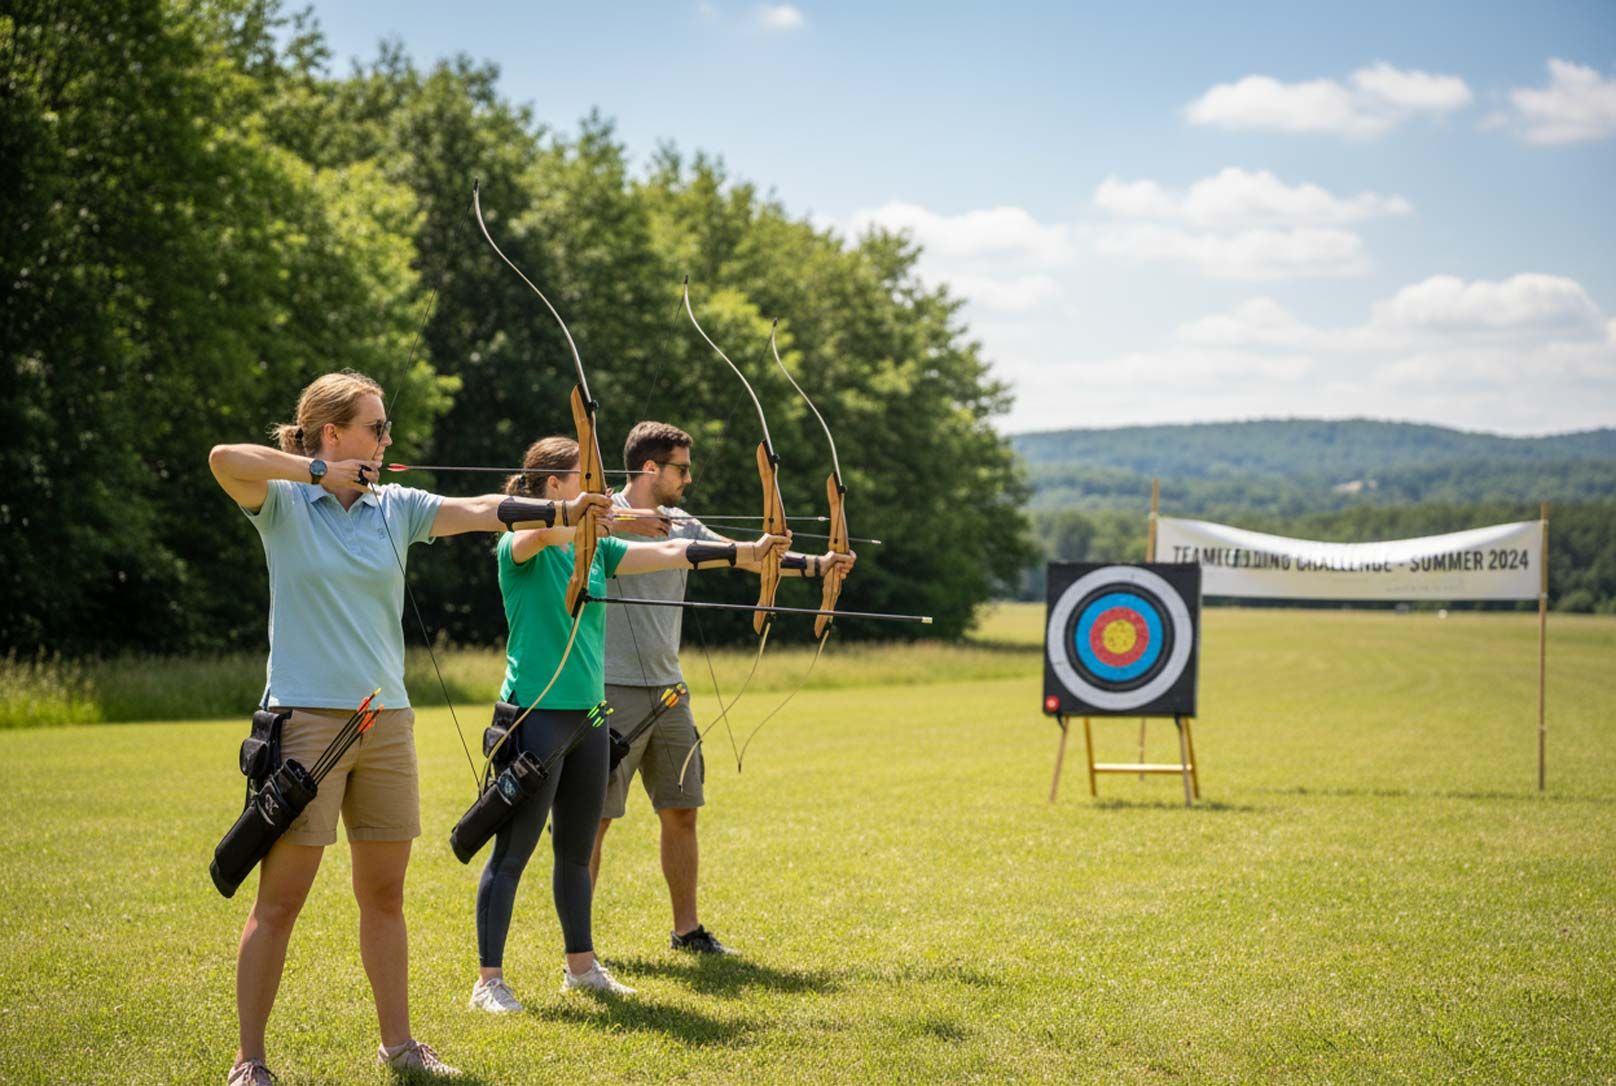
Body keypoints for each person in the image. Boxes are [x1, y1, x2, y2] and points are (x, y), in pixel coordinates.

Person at [209, 371, 607, 1083]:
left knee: (385, 893)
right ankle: (251, 1060)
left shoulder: (397, 507)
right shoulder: (285, 504)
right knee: (281, 900)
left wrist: (570, 508)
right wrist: (318, 471)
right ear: (333, 433)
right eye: (377, 427)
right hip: (307, 722)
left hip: (386, 721)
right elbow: (223, 459)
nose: (389, 439)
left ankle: (399, 1046)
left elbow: (482, 508)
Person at [469, 436, 790, 1013]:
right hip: (535, 713)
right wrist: (586, 518)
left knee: (574, 849)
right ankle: (489, 980)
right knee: (512, 853)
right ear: (553, 487)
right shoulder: (518, 547)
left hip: (589, 716)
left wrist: (751, 551)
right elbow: (539, 533)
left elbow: (674, 555)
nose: (597, 490)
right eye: (583, 480)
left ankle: (582, 967)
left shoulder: (599, 552)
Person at [588, 421, 855, 956]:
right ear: (649, 468)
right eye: (681, 468)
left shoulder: (683, 522)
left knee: (682, 809)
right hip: (607, 690)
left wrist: (819, 565)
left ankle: (687, 931)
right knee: (594, 819)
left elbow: (748, 554)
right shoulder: (601, 516)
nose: (689, 477)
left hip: (669, 691)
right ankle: (581, 946)